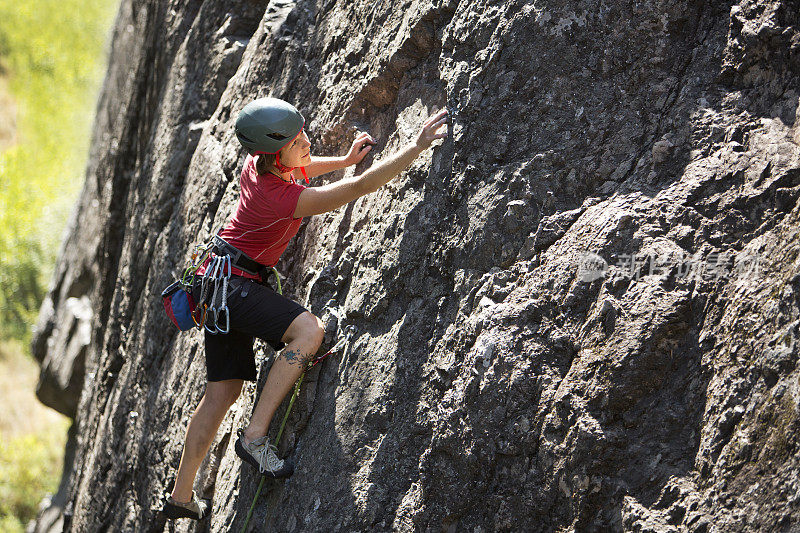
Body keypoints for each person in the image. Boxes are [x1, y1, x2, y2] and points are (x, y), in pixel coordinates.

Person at [161, 97, 448, 520]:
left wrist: (346, 158)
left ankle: (180, 497)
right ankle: (254, 437)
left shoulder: (259, 165)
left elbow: (301, 169)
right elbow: (358, 189)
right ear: (275, 152)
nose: (307, 142)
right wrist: (416, 147)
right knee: (308, 332)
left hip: (217, 284)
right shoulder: (280, 199)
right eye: (298, 141)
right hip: (235, 289)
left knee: (222, 391)